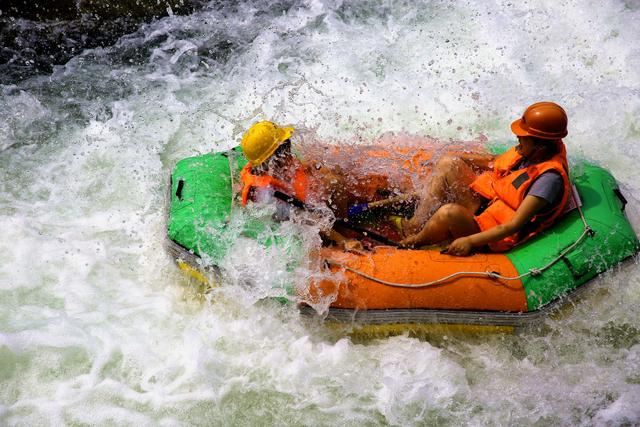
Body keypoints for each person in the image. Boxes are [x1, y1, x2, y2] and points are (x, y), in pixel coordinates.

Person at [399, 101, 571, 256]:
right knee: (448, 163)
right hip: (488, 204)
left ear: (540, 145)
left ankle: (414, 242)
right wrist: (457, 158)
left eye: (523, 137)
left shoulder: (548, 180)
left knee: (449, 213)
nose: (518, 137)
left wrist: (470, 241)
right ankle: (415, 225)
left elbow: (514, 225)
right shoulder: (532, 150)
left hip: (495, 233)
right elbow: (495, 161)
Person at [238, 120, 361, 249]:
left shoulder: (269, 166)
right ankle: (336, 238)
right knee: (334, 185)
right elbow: (306, 220)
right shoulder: (267, 194)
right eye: (286, 147)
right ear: (278, 155)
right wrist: (343, 241)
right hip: (289, 231)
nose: (290, 151)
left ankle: (341, 223)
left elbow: (303, 171)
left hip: (301, 210)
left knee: (334, 180)